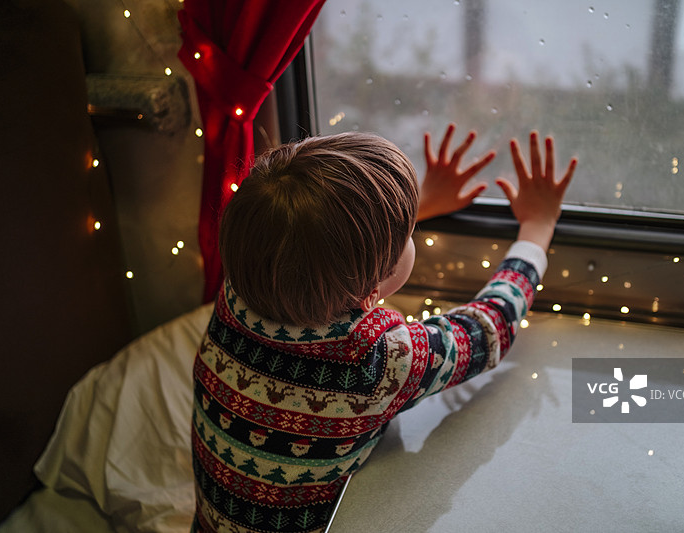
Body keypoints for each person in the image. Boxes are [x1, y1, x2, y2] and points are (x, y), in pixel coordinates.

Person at [191, 124, 576, 533]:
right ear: (372, 292)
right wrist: (537, 229)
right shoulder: (378, 359)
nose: (412, 234)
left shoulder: (237, 291)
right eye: (409, 233)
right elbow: (488, 329)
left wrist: (411, 205)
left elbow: (303, 249)